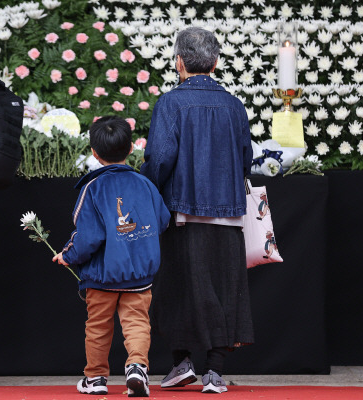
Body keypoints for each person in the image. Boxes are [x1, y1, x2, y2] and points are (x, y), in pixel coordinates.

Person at [140, 27, 254, 394]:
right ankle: (215, 372)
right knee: (225, 288)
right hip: (228, 211)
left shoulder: (171, 103)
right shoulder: (234, 106)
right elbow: (245, 159)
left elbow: (159, 159)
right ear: (216, 62)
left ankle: (180, 364)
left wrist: (150, 191)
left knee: (176, 289)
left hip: (181, 212)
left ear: (179, 62)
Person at [53, 116, 170, 397]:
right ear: (131, 148)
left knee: (98, 327)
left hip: (101, 276)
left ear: (94, 152)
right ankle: (137, 367)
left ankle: (95, 379)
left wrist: (67, 256)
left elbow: (89, 237)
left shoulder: (92, 188)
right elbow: (163, 221)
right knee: (137, 322)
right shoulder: (146, 185)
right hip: (140, 273)